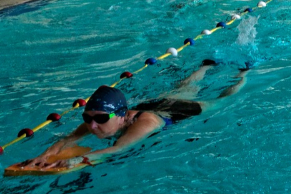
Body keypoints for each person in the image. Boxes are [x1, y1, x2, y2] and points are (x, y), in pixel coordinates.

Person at [13, 61, 248, 172]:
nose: (92, 126)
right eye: (87, 118)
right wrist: (42, 156)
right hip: (154, 104)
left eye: (101, 119)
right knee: (182, 87)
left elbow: (118, 150)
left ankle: (243, 73)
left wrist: (75, 161)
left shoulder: (144, 125)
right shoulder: (97, 118)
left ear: (120, 116)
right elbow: (67, 140)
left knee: (221, 100)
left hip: (175, 111)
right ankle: (204, 67)